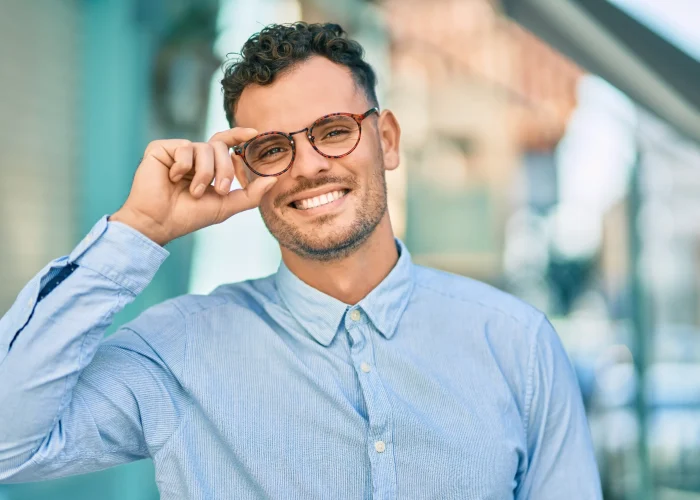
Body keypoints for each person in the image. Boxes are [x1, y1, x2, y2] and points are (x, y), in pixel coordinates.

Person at [0, 22, 602, 499]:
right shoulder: (175, 350)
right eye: (273, 147)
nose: (309, 165)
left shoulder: (517, 343)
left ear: (386, 140)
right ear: (244, 167)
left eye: (335, 131)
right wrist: (141, 229)